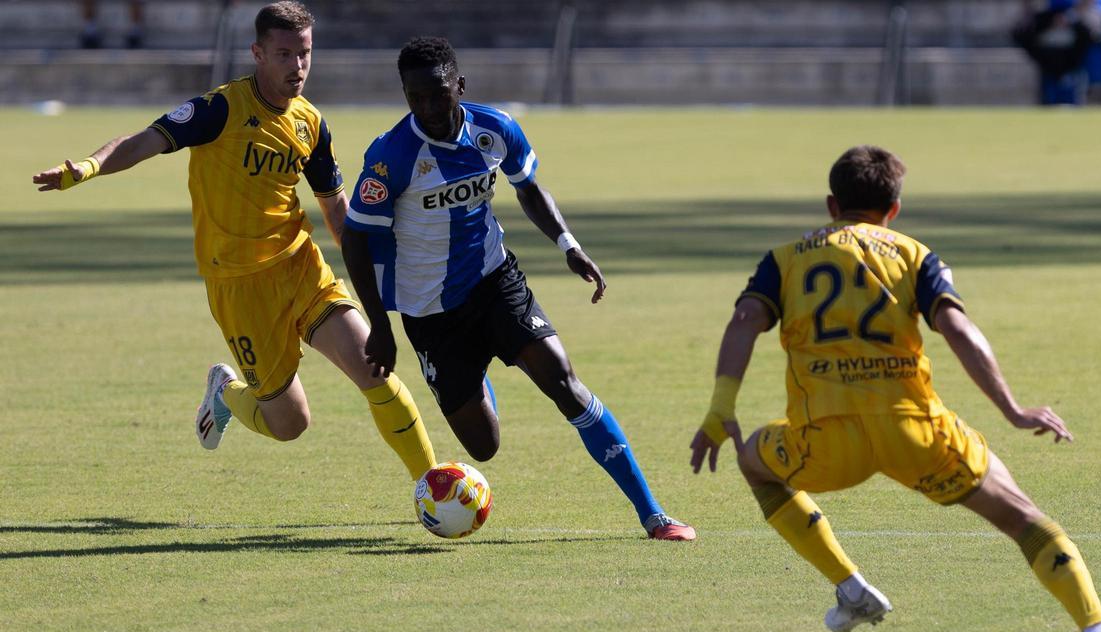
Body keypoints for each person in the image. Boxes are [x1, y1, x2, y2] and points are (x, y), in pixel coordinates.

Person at [689, 145, 1101, 632]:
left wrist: (719, 409)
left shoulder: (784, 260)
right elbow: (957, 328)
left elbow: (744, 322)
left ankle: (850, 587)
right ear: (894, 209)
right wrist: (1013, 410)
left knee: (756, 463)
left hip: (823, 438)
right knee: (1025, 519)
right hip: (916, 433)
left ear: (830, 204)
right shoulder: (914, 254)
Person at [33, 1, 438, 484]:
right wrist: (88, 167)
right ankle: (226, 391)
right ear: (258, 53)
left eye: (305, 53)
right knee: (290, 425)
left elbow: (335, 209)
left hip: (300, 267)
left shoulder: (311, 123)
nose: (298, 66)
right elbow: (143, 141)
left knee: (375, 373)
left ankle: (432, 483)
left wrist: (374, 270)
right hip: (239, 286)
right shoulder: (219, 109)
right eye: (285, 54)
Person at [340, 36, 694, 541]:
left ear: (459, 86)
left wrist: (568, 244)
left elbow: (526, 187)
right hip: (429, 312)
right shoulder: (390, 156)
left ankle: (653, 515)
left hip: (494, 279)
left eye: (438, 94)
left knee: (563, 380)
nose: (428, 107)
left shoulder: (495, 127)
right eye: (415, 97)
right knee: (483, 447)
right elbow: (356, 237)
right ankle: (479, 369)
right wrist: (381, 325)